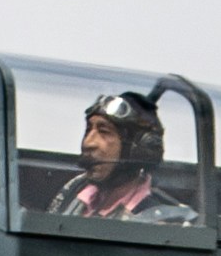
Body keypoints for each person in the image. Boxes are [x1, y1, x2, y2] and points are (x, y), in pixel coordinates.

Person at [47, 90, 198, 225]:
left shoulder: (165, 223)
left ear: (139, 148)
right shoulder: (75, 190)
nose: (88, 143)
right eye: (88, 130)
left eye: (104, 132)